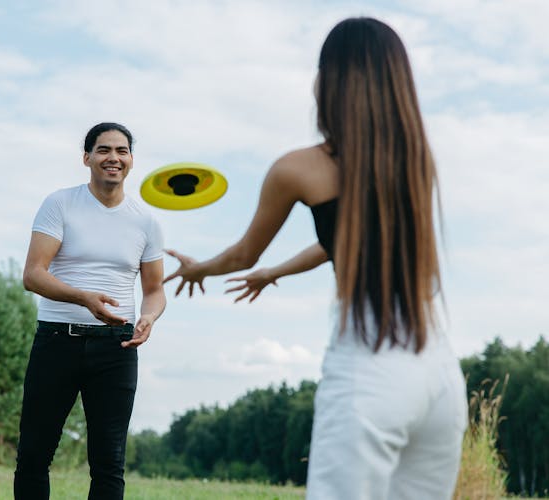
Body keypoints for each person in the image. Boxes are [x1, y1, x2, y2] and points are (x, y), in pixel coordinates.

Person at [163, 17, 467, 500]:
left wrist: (200, 268)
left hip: (371, 360)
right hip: (440, 375)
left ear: (330, 80)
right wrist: (275, 273)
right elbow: (343, 241)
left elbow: (243, 252)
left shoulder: (297, 168)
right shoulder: (414, 162)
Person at [14, 122, 166, 499]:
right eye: (103, 150)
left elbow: (154, 290)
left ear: (131, 161)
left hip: (118, 347)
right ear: (87, 158)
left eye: (121, 151)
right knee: (34, 453)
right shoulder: (60, 204)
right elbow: (33, 275)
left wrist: (148, 317)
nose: (113, 158)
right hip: (56, 340)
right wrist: (85, 298)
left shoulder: (146, 221)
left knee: (109, 463)